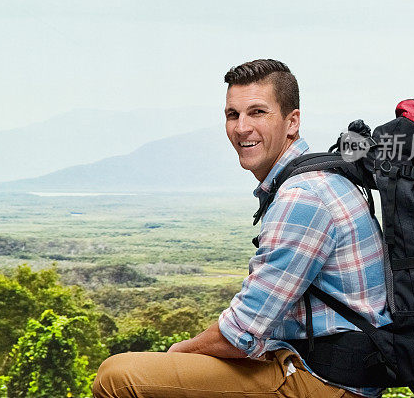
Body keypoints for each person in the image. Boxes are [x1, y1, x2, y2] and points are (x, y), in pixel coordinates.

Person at [92, 59, 392, 398]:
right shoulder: (320, 178)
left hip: (325, 384)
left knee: (118, 377)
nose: (241, 127)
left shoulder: (302, 197)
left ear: (292, 122)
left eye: (258, 112)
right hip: (315, 367)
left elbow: (243, 330)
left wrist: (178, 354)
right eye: (233, 115)